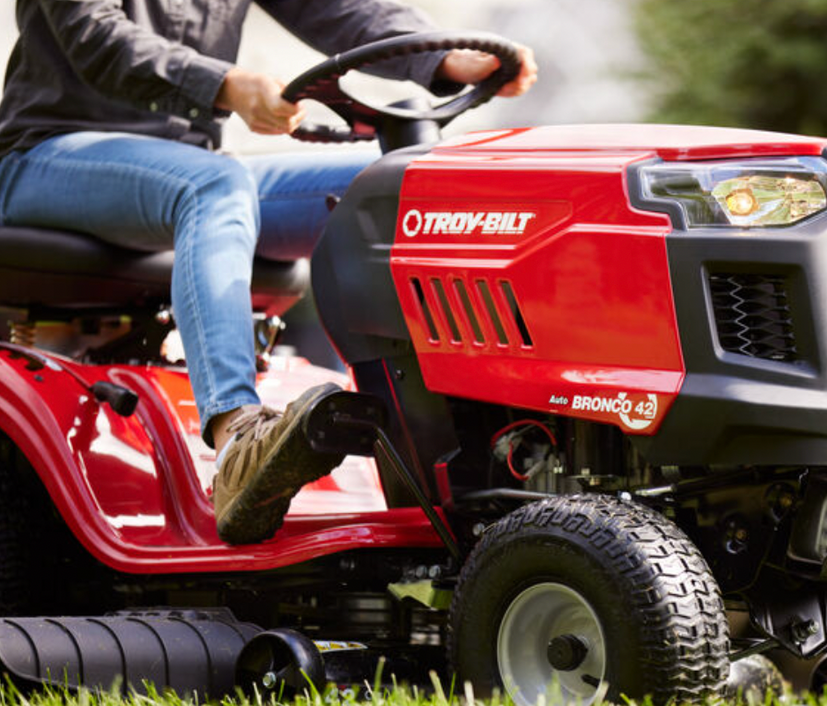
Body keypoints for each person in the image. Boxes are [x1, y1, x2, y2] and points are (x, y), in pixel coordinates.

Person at [0, 0, 538, 545]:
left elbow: (342, 11)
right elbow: (95, 34)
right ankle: (236, 440)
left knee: (397, 181)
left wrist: (444, 56)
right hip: (47, 155)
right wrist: (225, 85)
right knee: (214, 185)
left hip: (182, 165)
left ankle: (482, 444)